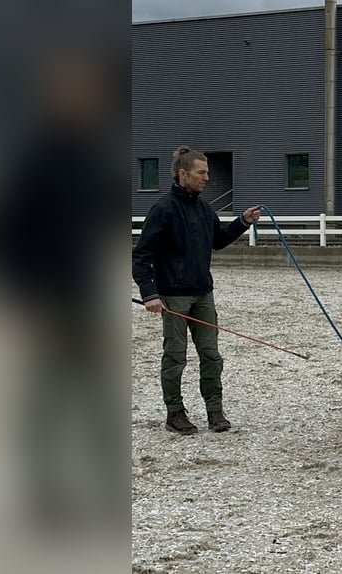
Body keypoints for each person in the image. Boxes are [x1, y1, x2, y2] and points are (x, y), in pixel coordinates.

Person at [132, 145, 262, 434]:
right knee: (175, 356)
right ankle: (174, 414)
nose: (207, 178)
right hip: (173, 298)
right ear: (183, 174)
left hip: (204, 293)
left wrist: (242, 222)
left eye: (207, 173)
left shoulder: (204, 209)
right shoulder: (162, 210)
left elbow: (218, 241)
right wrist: (150, 294)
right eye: (201, 173)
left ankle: (215, 412)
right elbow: (142, 256)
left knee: (211, 356)